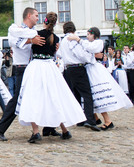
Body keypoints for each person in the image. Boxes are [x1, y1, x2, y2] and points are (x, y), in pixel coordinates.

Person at [16, 12, 86, 142]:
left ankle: (36, 132)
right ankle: (65, 130)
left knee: (33, 98)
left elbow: (19, 42)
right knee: (55, 97)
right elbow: (55, 53)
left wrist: (30, 40)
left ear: (45, 21)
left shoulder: (36, 34)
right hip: (50, 67)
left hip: (36, 66)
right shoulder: (56, 38)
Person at [0, 7, 45, 141]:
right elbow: (14, 42)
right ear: (29, 15)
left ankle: (43, 129)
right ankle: (0, 127)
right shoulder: (15, 28)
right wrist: (32, 39)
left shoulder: (33, 31)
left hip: (33, 67)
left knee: (37, 97)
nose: (38, 18)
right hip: (21, 67)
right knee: (17, 99)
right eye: (36, 15)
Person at [68, 27, 133, 130]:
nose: (87, 36)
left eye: (89, 34)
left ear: (94, 35)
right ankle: (95, 117)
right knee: (90, 95)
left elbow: (90, 48)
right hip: (88, 69)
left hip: (95, 70)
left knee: (97, 94)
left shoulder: (98, 42)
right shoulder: (88, 43)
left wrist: (79, 40)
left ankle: (108, 120)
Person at [56, 21, 101, 131]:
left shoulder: (62, 41)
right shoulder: (72, 39)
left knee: (76, 95)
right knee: (87, 94)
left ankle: (79, 119)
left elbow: (59, 54)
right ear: (74, 29)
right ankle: (90, 120)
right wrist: (90, 58)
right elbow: (80, 54)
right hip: (77, 67)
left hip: (68, 68)